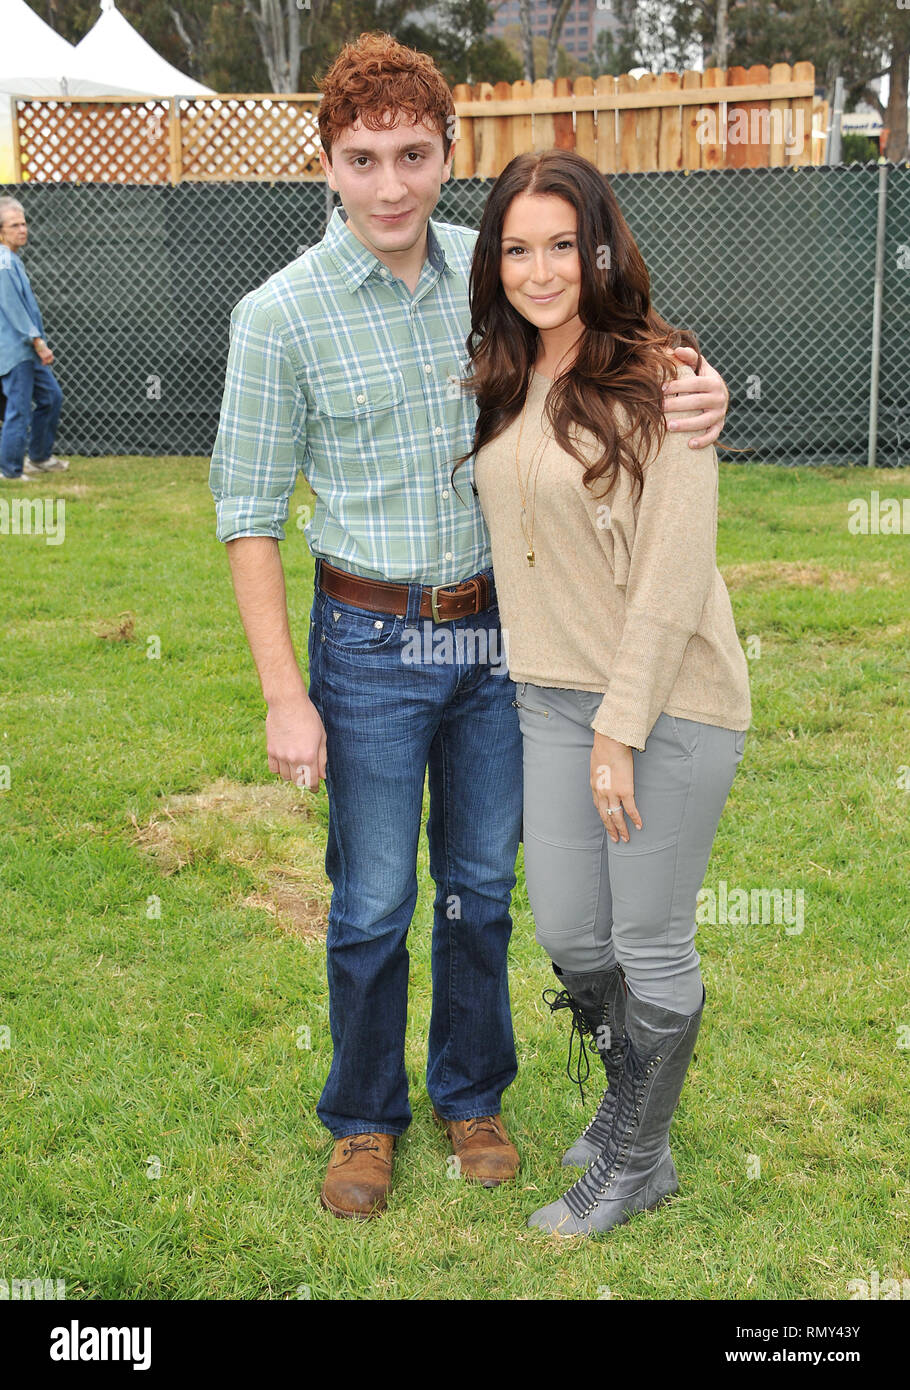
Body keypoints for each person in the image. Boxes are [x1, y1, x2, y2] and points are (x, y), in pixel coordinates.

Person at [208, 33, 731, 1221]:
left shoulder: (496, 269)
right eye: (361, 158)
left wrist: (700, 385)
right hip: (369, 641)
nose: (390, 184)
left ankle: (474, 1092)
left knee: (484, 888)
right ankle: (360, 1119)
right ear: (325, 165)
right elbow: (247, 518)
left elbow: (618, 351)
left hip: (508, 641)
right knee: (374, 897)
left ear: (449, 153)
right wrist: (286, 693)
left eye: (412, 154)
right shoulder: (275, 316)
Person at [465, 149, 751, 1237]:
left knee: (648, 939)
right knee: (573, 936)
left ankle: (633, 1159)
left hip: (666, 703)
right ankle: (639, 1111)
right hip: (548, 699)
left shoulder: (663, 376)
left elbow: (674, 572)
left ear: (599, 249)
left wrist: (619, 731)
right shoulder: (506, 368)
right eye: (516, 247)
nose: (540, 269)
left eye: (561, 245)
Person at [0, 197, 68, 480]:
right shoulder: (3, 264)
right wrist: (38, 342)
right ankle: (10, 471)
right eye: (14, 225)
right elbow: (12, 308)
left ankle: (38, 457)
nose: (22, 230)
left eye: (24, 223)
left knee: (51, 397)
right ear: (1, 231)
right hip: (16, 351)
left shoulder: (12, 260)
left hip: (27, 351)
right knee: (18, 411)